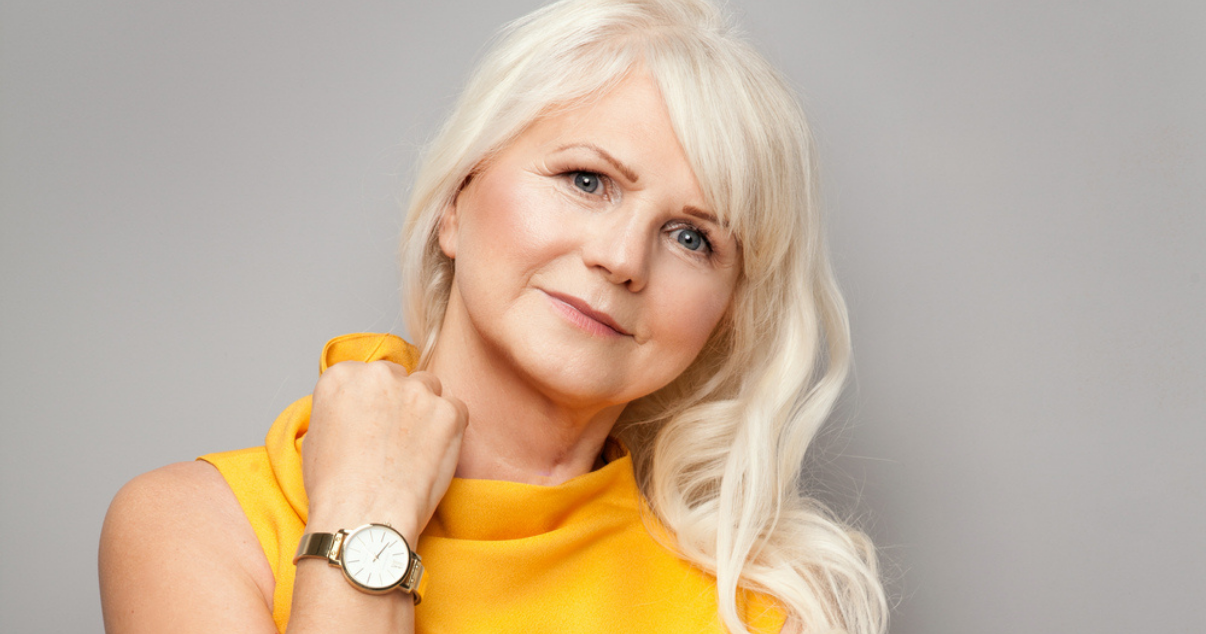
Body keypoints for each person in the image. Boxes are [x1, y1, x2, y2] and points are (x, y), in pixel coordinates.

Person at [99, 0, 887, 632]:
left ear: (725, 314)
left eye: (692, 237)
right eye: (587, 180)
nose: (622, 258)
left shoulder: (768, 609)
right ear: (453, 202)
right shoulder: (198, 527)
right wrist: (367, 517)